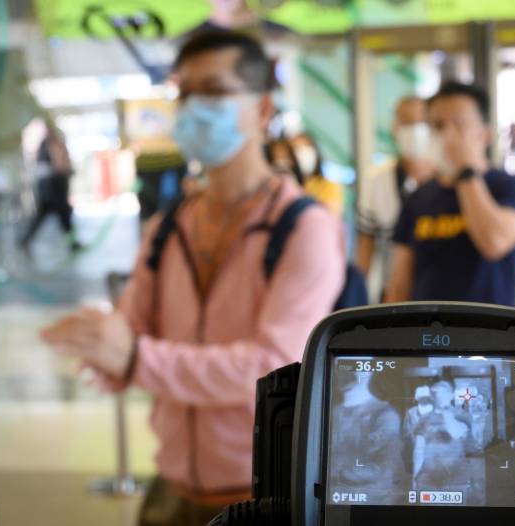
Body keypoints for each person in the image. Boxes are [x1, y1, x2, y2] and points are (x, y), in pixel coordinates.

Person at [40, 31, 346, 526]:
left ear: (263, 110)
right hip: (170, 487)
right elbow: (134, 330)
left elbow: (274, 368)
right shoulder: (170, 225)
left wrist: (135, 358)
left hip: (261, 496)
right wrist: (105, 350)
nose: (194, 107)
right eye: (185, 93)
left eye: (215, 92)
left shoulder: (303, 227)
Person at [384, 82, 515, 307]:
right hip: (428, 335)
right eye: (438, 125)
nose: (447, 135)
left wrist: (465, 171)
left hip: (491, 333)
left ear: (484, 134)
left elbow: (494, 242)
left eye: (459, 124)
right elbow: (399, 284)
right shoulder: (419, 198)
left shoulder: (510, 187)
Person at [356, 96, 436, 299]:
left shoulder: (447, 181)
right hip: (393, 296)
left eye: (422, 123)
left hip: (439, 294)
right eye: (407, 123)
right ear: (394, 128)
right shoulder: (377, 180)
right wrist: (355, 297)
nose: (415, 130)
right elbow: (366, 246)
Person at [328, 371, 402, 502]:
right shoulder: (331, 412)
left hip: (371, 502)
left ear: (368, 372)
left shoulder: (383, 413)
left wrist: (331, 473)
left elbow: (382, 468)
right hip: (330, 501)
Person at [20, 120, 82, 253]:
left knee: (56, 215)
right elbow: (59, 165)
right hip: (53, 186)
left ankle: (26, 240)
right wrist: (66, 169)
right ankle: (72, 243)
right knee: (62, 214)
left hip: (52, 185)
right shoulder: (49, 145)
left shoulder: (48, 144)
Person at [288, 132, 345, 216]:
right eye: (296, 149)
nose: (302, 154)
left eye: (306, 147)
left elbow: (333, 215)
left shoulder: (329, 185)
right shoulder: (290, 184)